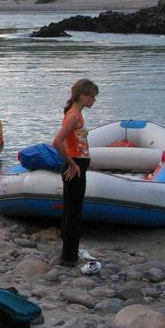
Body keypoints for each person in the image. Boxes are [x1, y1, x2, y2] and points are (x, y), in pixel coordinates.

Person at [52, 79, 99, 267]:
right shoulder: (73, 116)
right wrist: (71, 164)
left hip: (78, 165)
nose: (94, 101)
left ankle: (68, 252)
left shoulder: (76, 113)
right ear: (83, 95)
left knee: (72, 209)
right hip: (75, 167)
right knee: (74, 212)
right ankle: (69, 257)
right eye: (93, 97)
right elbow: (57, 141)